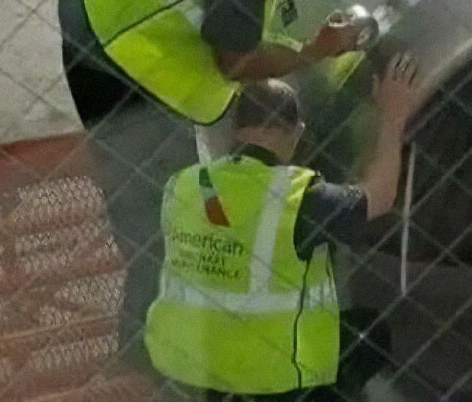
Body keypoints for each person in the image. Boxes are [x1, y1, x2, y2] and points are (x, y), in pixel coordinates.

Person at [57, 0, 408, 364]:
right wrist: (317, 49)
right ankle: (147, 347)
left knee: (177, 196)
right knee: (159, 214)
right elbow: (236, 64)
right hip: (117, 60)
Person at [145, 54, 421, 401]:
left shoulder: (184, 184)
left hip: (196, 362)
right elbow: (379, 196)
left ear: (236, 129)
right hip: (275, 379)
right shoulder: (297, 197)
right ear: (297, 132)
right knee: (370, 333)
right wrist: (393, 116)